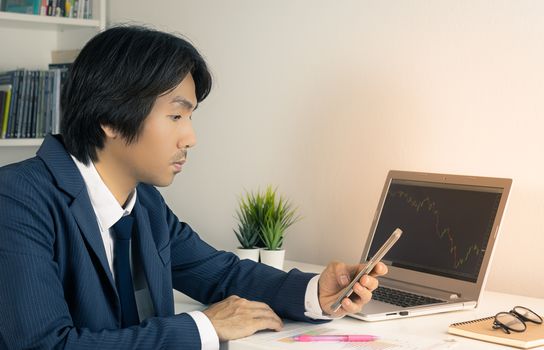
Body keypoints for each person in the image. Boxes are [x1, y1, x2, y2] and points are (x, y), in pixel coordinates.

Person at [0, 25, 387, 349]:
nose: (190, 138)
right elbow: (45, 345)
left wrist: (316, 292)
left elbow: (222, 275)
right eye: (174, 115)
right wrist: (204, 326)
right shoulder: (16, 198)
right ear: (110, 119)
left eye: (189, 116)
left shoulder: (145, 203)